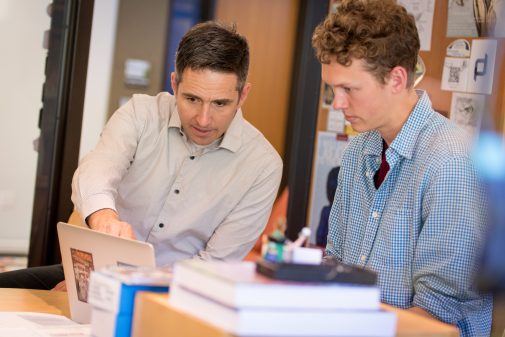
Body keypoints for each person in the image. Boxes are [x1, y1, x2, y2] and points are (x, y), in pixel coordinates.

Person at [0, 21, 282, 289]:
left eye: (220, 103)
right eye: (192, 99)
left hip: (175, 293)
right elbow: (95, 171)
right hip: (97, 272)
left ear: (243, 95)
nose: (204, 119)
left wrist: (124, 290)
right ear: (174, 83)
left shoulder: (262, 166)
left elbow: (215, 265)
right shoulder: (141, 114)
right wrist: (104, 218)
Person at [311, 1, 492, 336]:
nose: (337, 103)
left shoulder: (451, 161)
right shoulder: (358, 153)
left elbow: (439, 313)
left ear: (396, 78)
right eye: (332, 89)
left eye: (349, 89)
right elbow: (334, 265)